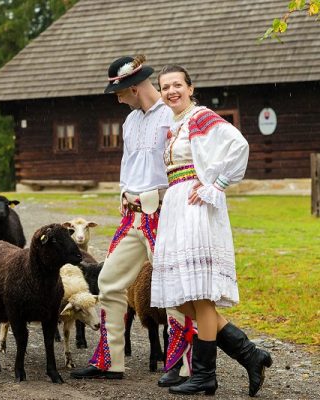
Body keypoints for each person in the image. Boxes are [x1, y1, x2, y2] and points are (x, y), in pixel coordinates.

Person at [151, 65, 273, 396]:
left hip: (195, 207)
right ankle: (250, 354)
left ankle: (206, 374)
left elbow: (238, 144)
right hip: (176, 206)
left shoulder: (200, 117)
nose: (171, 90)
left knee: (200, 297)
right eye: (165, 87)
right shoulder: (173, 124)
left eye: (177, 84)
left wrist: (215, 184)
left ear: (191, 88)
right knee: (185, 298)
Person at [71, 55, 192, 382]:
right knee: (109, 280)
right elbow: (129, 166)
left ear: (135, 88)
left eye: (120, 92)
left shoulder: (172, 116)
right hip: (132, 214)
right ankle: (109, 361)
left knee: (171, 287)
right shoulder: (130, 121)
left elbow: (183, 163)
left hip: (162, 209)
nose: (118, 98)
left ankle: (181, 365)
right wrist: (123, 196)